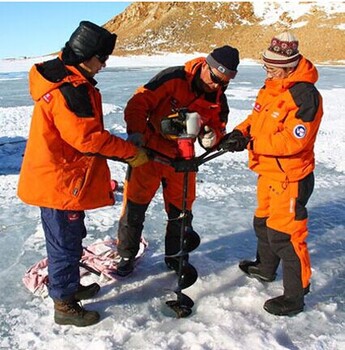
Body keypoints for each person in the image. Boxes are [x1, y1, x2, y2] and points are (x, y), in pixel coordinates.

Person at [17, 21, 149, 327]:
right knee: (64, 243)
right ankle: (64, 303)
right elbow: (87, 138)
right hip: (60, 183)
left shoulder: (67, 78)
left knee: (72, 238)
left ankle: (70, 285)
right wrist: (132, 153)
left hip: (59, 177)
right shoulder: (70, 89)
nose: (103, 65)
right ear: (88, 55)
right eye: (102, 59)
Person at [219, 32, 323, 316]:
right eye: (266, 66)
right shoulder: (271, 87)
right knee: (263, 222)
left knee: (286, 236)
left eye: (272, 67)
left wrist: (251, 142)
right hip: (269, 172)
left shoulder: (304, 95)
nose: (268, 71)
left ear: (289, 66)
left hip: (290, 177)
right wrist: (241, 132)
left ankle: (295, 295)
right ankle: (265, 269)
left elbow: (295, 140)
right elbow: (257, 118)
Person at [116, 46, 240, 276]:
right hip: (149, 154)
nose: (216, 86)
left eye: (223, 83)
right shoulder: (173, 78)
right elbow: (138, 103)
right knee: (134, 207)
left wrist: (211, 137)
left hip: (183, 159)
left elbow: (218, 128)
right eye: (214, 78)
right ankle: (126, 255)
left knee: (181, 212)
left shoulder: (218, 98)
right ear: (206, 65)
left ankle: (175, 257)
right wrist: (137, 133)